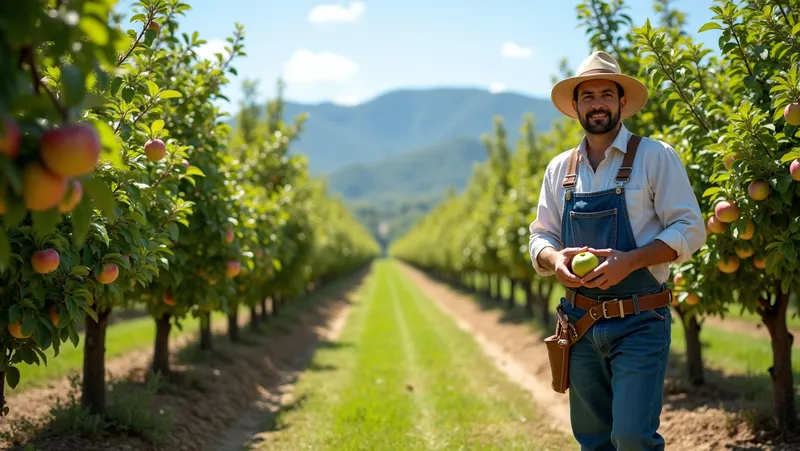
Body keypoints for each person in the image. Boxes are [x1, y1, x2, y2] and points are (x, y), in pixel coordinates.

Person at [528, 51, 706, 450]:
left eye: (606, 94)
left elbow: (691, 229)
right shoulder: (560, 169)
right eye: (587, 96)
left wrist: (631, 260)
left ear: (622, 102)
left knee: (631, 437)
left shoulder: (655, 156)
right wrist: (555, 261)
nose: (597, 104)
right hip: (580, 322)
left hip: (640, 318)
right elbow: (539, 236)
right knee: (592, 440)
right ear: (575, 106)